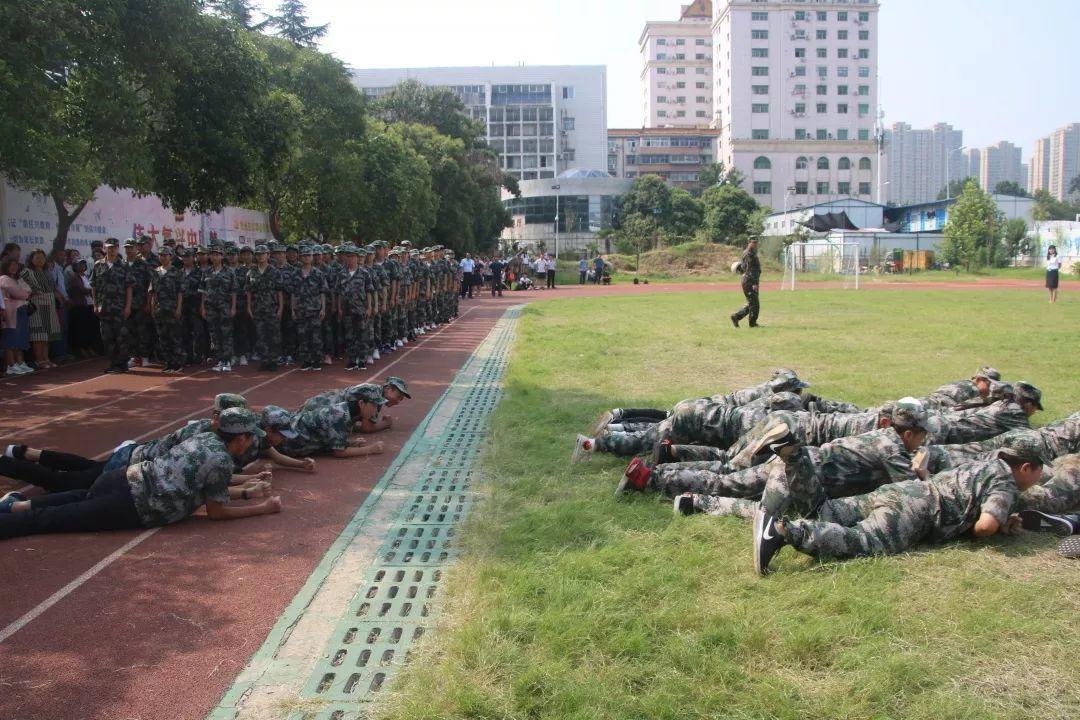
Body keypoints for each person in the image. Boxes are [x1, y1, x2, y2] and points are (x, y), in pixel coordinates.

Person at [751, 435, 1046, 574]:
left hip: (901, 491)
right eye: (1039, 471)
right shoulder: (1006, 483)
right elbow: (984, 526)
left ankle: (794, 455)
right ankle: (781, 532)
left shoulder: (986, 465)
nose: (1039, 478)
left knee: (825, 512)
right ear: (1026, 467)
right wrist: (998, 524)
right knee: (862, 541)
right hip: (917, 511)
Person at [0, 408, 282, 538]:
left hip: (122, 477)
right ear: (240, 438)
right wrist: (262, 507)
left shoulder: (203, 438)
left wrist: (246, 489)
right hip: (131, 504)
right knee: (49, 521)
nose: (251, 443)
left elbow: (197, 483)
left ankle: (16, 505)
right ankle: (14, 511)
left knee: (78, 495)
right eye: (249, 437)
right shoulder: (220, 459)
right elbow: (216, 512)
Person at [90, 238, 132, 373]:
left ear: (118, 248)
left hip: (119, 307)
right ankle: (113, 362)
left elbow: (129, 287)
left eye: (114, 247)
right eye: (109, 247)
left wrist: (128, 306)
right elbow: (94, 286)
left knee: (121, 336)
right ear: (104, 248)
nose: (111, 249)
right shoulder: (98, 265)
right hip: (104, 307)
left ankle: (122, 363)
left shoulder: (124, 265)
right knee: (107, 337)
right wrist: (95, 304)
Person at [22, 248, 63, 369]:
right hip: (36, 305)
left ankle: (46, 359)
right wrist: (32, 291)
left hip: (50, 304)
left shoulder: (48, 272)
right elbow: (21, 285)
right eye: (37, 257)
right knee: (38, 334)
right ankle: (39, 360)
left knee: (47, 335)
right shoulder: (26, 272)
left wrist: (59, 298)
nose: (40, 260)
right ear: (31, 259)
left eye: (42, 258)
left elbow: (54, 288)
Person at [149, 245, 186, 373]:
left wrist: (179, 308)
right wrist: (152, 308)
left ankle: (178, 363)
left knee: (174, 336)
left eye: (165, 255)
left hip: (172, 308)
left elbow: (180, 292)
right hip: (160, 309)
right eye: (161, 255)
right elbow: (153, 292)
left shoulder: (176, 272)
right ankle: (169, 362)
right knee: (163, 337)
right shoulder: (155, 272)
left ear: (171, 257)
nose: (163, 257)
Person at [200, 244, 236, 372]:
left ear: (222, 256)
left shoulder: (229, 272)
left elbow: (233, 291)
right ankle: (220, 359)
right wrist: (203, 308)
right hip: (211, 308)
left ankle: (227, 360)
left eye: (217, 255)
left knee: (226, 333)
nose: (214, 257)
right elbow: (203, 292)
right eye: (212, 254)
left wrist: (233, 308)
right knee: (215, 335)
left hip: (224, 307)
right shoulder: (206, 272)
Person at [1, 257, 33, 375]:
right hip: (10, 313)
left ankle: (20, 362)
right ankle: (11, 364)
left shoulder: (18, 279)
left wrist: (21, 293)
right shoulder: (4, 279)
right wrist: (22, 293)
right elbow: (20, 293)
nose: (14, 267)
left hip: (21, 310)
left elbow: (28, 290)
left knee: (21, 337)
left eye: (16, 264)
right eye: (11, 264)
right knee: (11, 338)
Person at [730, 237, 762, 328]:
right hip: (750, 281)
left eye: (756, 242)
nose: (755, 244)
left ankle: (736, 317)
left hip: (749, 280)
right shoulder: (749, 254)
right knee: (754, 303)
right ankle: (752, 324)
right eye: (753, 242)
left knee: (752, 303)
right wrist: (754, 283)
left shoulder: (751, 252)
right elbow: (750, 270)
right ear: (749, 242)